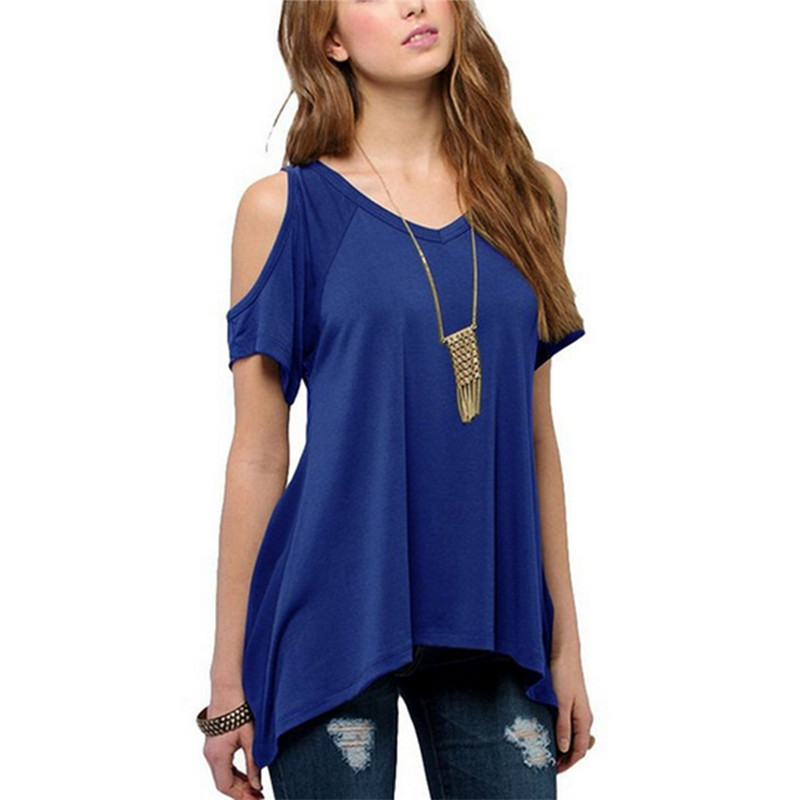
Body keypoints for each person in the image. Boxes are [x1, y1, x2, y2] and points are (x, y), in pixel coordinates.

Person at [197, 1, 595, 798]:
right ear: (330, 39)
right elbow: (259, 453)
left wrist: (567, 644)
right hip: (330, 621)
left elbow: (535, 438)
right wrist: (228, 681)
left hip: (494, 618)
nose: (414, 3)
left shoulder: (533, 198)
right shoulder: (283, 211)